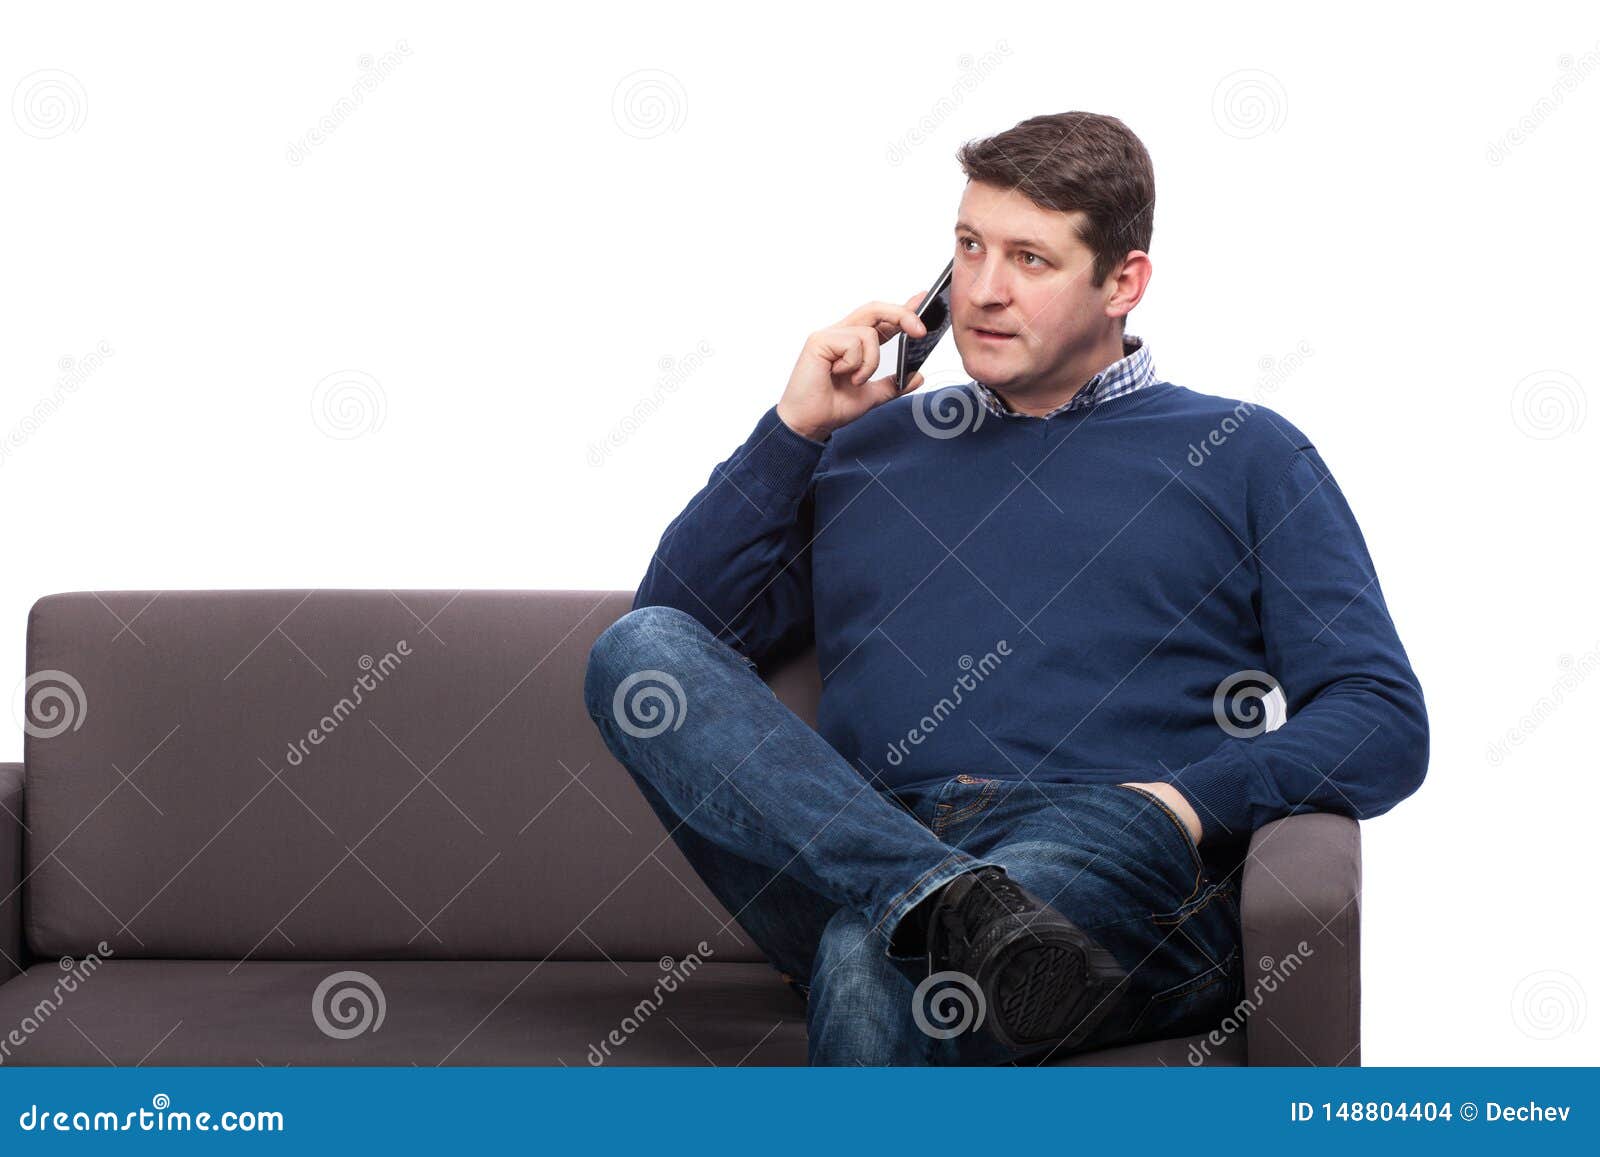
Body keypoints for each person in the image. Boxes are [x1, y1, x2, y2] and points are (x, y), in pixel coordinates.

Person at [583, 111, 1428, 1065]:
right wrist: (796, 429)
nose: (985, 290)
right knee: (634, 650)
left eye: (1030, 259)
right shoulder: (870, 446)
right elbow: (673, 647)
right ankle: (940, 902)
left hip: (1111, 848)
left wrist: (1185, 803)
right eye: (970, 247)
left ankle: (929, 911)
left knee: (879, 954)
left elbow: (1379, 715)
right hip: (868, 837)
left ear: (1124, 282)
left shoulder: (1245, 451)